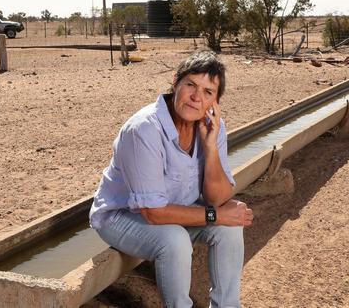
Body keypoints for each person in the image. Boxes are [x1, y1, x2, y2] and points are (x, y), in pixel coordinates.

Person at [89, 50, 253, 308]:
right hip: (122, 216)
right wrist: (215, 215)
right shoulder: (144, 129)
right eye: (191, 85)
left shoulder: (212, 128)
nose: (196, 97)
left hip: (178, 210)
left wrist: (210, 149)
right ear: (175, 81)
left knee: (230, 226)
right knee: (174, 240)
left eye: (208, 92)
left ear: (215, 102)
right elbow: (153, 213)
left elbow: (218, 198)